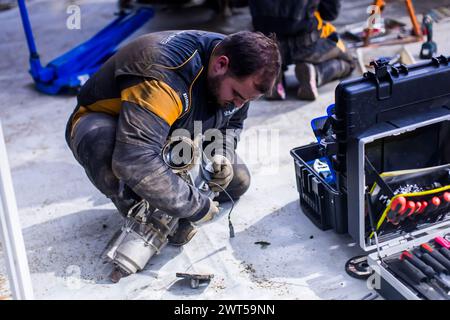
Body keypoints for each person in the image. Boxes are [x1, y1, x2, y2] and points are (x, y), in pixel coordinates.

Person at [65, 30, 281, 245]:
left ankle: (165, 198)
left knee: (237, 182)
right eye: (236, 95)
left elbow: (231, 122)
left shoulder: (240, 67)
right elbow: (134, 159)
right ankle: (139, 211)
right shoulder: (163, 73)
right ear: (221, 65)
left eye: (246, 100)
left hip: (170, 129)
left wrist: (219, 154)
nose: (239, 104)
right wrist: (195, 205)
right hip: (111, 124)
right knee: (108, 154)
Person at [249, 0, 354, 100]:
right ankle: (315, 73)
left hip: (268, 46)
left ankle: (273, 76)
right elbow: (331, 13)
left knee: (273, 43)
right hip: (306, 45)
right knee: (349, 62)